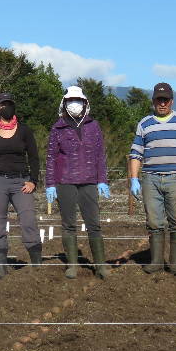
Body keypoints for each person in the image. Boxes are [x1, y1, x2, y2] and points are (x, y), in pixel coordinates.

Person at [129, 82, 176, 276]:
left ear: (171, 101)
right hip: (150, 178)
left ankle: (175, 263)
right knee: (153, 221)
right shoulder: (144, 123)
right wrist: (134, 179)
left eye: (165, 100)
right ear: (153, 101)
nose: (162, 103)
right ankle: (156, 262)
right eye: (159, 100)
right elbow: (136, 153)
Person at [45, 86, 110, 279]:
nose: (75, 104)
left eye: (78, 100)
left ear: (85, 103)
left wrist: (102, 180)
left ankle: (100, 266)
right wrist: (50, 183)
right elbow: (51, 157)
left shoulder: (93, 126)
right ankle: (72, 265)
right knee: (68, 224)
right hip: (65, 181)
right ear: (64, 104)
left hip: (89, 181)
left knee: (94, 224)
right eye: (71, 100)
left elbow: (100, 155)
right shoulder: (58, 128)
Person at [0, 92, 42, 278]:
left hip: (21, 181)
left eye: (9, 104)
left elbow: (34, 157)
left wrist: (33, 180)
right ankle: (0, 266)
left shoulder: (25, 131)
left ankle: (36, 264)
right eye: (3, 105)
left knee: (29, 221)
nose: (6, 108)